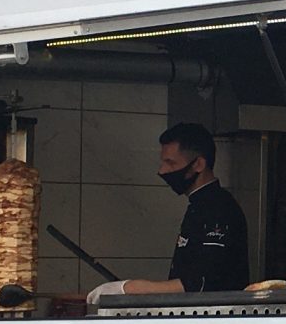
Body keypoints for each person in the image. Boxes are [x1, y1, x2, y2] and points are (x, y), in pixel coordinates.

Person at [89, 122, 249, 302]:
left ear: (198, 164)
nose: (162, 170)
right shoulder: (199, 205)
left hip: (215, 317)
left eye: (170, 163)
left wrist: (129, 288)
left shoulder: (218, 209)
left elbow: (201, 283)